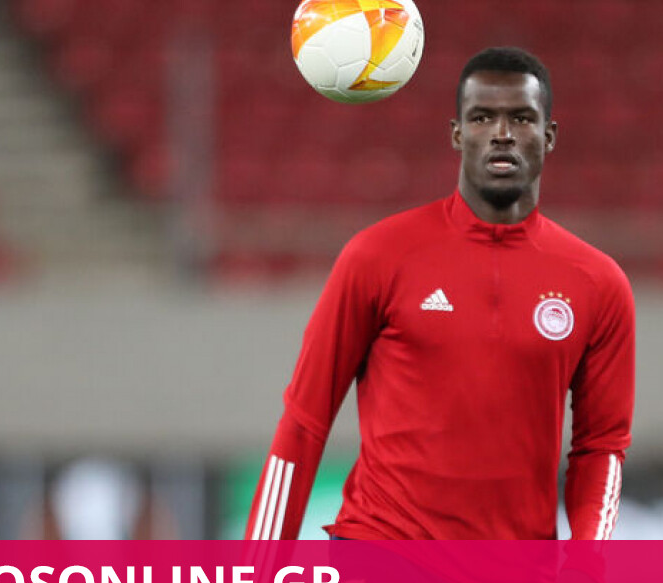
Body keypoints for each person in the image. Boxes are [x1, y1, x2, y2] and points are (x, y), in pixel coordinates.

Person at [244, 46, 634, 545]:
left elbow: (602, 448)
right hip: (382, 557)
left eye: (521, 118)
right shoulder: (378, 256)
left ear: (549, 136)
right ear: (456, 134)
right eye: (481, 118)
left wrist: (587, 568)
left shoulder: (598, 283)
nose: (501, 133)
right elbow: (305, 421)